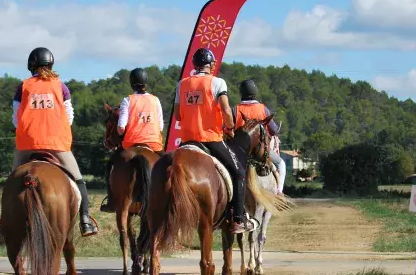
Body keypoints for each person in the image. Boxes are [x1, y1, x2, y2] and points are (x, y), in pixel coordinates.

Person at [6, 46, 98, 237]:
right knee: (79, 179)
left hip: (27, 144)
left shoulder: (23, 86)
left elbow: (16, 117)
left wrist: (27, 130)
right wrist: (58, 129)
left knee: (12, 180)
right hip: (56, 143)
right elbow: (69, 115)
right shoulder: (60, 86)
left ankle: (3, 220)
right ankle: (85, 221)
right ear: (51, 63)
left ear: (31, 65)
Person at [173, 47, 256, 234]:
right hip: (210, 138)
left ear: (195, 65)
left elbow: (178, 115)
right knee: (239, 172)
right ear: (210, 65)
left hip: (187, 140)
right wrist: (229, 127)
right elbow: (226, 111)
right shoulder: (217, 82)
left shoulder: (182, 84)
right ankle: (238, 218)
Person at [100, 68, 164, 212]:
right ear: (145, 82)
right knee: (168, 167)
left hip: (131, 144)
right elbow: (160, 126)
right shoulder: (155, 100)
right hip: (154, 144)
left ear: (131, 83)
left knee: (110, 165)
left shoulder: (128, 100)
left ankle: (111, 201)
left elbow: (121, 127)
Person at [233, 79, 286, 194]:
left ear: (241, 93)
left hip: (240, 153)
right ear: (255, 92)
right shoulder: (263, 109)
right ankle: (279, 192)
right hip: (259, 152)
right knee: (281, 164)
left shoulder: (236, 109)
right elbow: (273, 131)